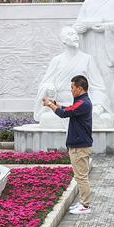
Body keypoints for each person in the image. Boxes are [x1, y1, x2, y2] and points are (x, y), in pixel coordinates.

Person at [34, 26, 114, 128]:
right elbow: (46, 83)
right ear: (64, 40)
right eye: (71, 34)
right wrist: (49, 88)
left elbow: (98, 86)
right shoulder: (57, 60)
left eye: (76, 34)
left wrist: (98, 105)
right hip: (61, 103)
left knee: (106, 119)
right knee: (46, 118)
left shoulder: (87, 59)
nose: (76, 37)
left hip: (82, 105)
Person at [42, 75, 94, 215]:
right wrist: (54, 103)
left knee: (81, 177)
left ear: (80, 88)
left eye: (72, 87)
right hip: (78, 145)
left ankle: (86, 206)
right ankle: (83, 202)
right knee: (80, 176)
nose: (71, 90)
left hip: (80, 146)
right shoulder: (81, 102)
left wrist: (50, 104)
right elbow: (69, 109)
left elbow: (64, 113)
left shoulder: (83, 103)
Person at [74, 0, 114, 108]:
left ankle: (112, 111)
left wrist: (105, 26)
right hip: (91, 49)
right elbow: (77, 27)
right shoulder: (88, 4)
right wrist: (84, 27)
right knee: (93, 79)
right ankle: (94, 110)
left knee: (110, 79)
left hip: (109, 51)